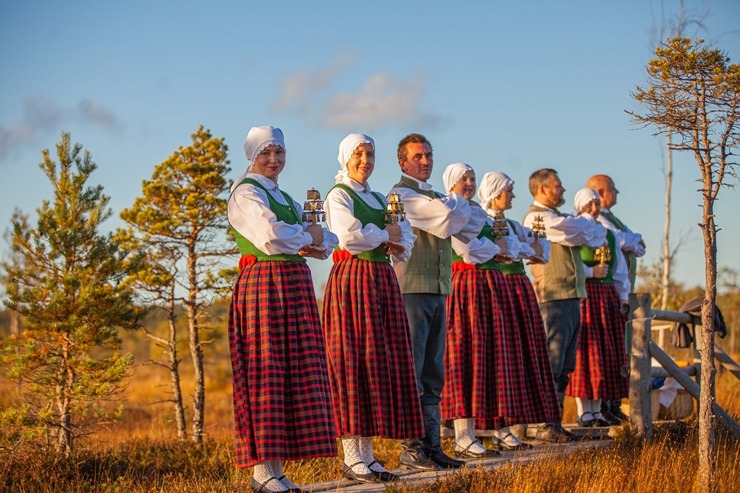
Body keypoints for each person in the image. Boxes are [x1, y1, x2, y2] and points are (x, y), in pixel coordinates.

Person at [228, 126, 338, 493]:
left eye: (279, 153)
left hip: (291, 284)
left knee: (291, 373)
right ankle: (262, 472)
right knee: (266, 370)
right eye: (266, 154)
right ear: (252, 156)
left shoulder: (285, 197)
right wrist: (307, 238)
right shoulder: (246, 192)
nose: (273, 161)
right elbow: (272, 236)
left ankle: (275, 469)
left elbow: (323, 241)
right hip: (264, 285)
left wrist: (311, 238)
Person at [322, 133, 425, 484]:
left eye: (370, 154)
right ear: (345, 158)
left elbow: (406, 236)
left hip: (381, 279)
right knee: (353, 361)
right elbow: (349, 236)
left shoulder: (381, 198)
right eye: (359, 154)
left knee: (375, 362)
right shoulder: (338, 195)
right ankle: (351, 456)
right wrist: (385, 235)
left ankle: (366, 454)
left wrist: (388, 236)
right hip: (353, 278)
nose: (365, 160)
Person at [389, 134, 483, 470]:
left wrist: (452, 205)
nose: (426, 161)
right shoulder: (401, 194)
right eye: (418, 156)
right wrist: (454, 205)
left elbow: (472, 224)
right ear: (403, 162)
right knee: (413, 369)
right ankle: (412, 448)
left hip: (439, 287)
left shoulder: (435, 197)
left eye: (429, 155)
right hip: (412, 288)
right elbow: (447, 222)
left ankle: (431, 445)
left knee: (433, 370)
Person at [477, 171, 562, 446]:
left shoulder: (512, 223)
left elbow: (539, 251)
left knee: (519, 356)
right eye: (508, 191)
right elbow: (514, 250)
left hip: (518, 289)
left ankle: (512, 426)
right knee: (500, 355)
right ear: (495, 192)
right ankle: (497, 428)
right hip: (498, 286)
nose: (512, 196)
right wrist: (521, 247)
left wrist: (522, 247)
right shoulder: (483, 219)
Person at [522, 168, 605, 442]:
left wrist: (580, 226)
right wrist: (581, 226)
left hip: (569, 295)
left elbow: (592, 236)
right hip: (552, 296)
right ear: (542, 189)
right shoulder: (537, 217)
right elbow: (575, 231)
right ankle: (541, 423)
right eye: (557, 186)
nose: (563, 191)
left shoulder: (557, 218)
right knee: (551, 360)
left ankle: (552, 421)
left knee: (565, 362)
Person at [438, 163, 506, 458]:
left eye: (471, 178)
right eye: (463, 179)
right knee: (462, 357)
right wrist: (495, 248)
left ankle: (472, 433)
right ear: (451, 182)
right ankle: (461, 435)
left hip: (481, 288)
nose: (468, 183)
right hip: (461, 285)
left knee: (481, 358)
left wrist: (492, 247)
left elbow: (493, 247)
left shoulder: (474, 211)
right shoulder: (450, 210)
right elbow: (469, 249)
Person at [565, 188, 628, 427]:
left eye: (596, 204)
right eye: (589, 204)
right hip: (586, 295)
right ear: (580, 206)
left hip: (606, 296)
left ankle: (598, 409)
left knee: (605, 353)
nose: (594, 209)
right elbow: (570, 263)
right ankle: (585, 411)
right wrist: (591, 272)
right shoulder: (575, 230)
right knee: (586, 352)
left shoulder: (607, 234)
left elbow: (619, 269)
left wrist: (623, 296)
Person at [586, 174, 646, 422]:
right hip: (599, 291)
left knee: (618, 349)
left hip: (618, 289)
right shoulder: (597, 221)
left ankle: (612, 404)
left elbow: (637, 245)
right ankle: (599, 408)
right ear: (601, 192)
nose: (617, 193)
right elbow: (622, 241)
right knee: (601, 351)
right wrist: (630, 240)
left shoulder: (611, 219)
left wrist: (631, 241)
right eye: (613, 189)